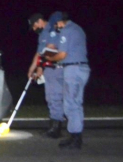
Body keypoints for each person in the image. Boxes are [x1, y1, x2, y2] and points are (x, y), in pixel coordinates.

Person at [45, 12, 90, 150]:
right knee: (73, 102)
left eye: (56, 24)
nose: (56, 27)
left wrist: (49, 58)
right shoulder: (78, 29)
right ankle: (74, 136)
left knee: (71, 104)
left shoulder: (67, 30)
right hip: (80, 68)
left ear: (60, 21)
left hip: (73, 69)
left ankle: (76, 139)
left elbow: (62, 54)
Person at [27, 11, 64, 138]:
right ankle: (54, 126)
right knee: (52, 97)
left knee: (54, 97)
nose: (33, 29)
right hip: (48, 68)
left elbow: (51, 50)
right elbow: (39, 53)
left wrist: (40, 68)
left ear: (39, 22)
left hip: (55, 68)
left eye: (34, 26)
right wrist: (31, 69)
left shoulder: (52, 29)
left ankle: (56, 129)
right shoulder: (42, 34)